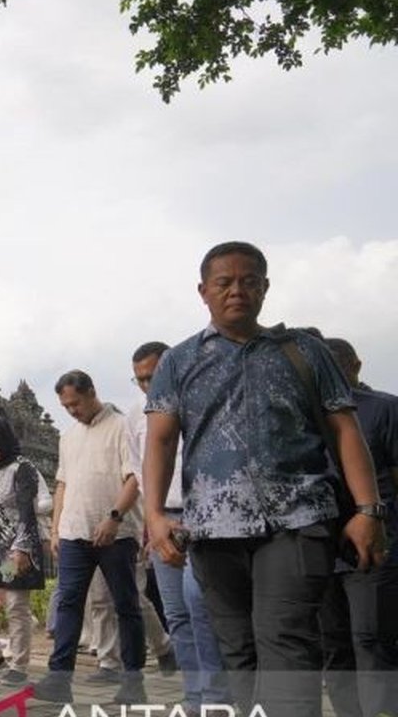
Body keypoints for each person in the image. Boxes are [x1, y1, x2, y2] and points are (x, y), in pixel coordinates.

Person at [142, 241, 387, 717]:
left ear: (265, 288)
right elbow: (161, 440)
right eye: (224, 282)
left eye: (249, 281)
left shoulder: (304, 352)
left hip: (296, 520)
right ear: (203, 291)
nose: (237, 290)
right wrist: (153, 515)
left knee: (285, 641)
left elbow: (345, 429)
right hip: (213, 530)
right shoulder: (179, 361)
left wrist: (367, 510)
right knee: (238, 651)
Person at [33, 370, 146, 706]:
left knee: (126, 606)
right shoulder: (68, 436)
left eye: (76, 404)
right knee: (68, 603)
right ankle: (59, 679)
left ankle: (133, 682)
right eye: (66, 407)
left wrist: (114, 517)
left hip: (117, 534)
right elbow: (62, 484)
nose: (72, 411)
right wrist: (56, 528)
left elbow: (134, 478)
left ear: (91, 392)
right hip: (73, 533)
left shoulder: (122, 427)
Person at [128, 340, 228, 714]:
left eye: (153, 376)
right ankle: (194, 695)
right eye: (140, 379)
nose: (147, 385)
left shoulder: (202, 400)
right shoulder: (136, 415)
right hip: (163, 518)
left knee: (201, 606)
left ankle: (216, 696)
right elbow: (140, 470)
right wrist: (151, 521)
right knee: (177, 614)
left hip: (202, 515)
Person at [323, 337, 398, 716]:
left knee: (370, 638)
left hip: (374, 543)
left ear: (356, 366)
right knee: (332, 645)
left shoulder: (383, 409)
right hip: (321, 545)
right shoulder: (304, 414)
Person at [0, 415, 45, 687]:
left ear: (4, 440)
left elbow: (28, 513)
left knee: (16, 604)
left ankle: (19, 665)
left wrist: (22, 550)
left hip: (16, 549)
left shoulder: (22, 468)